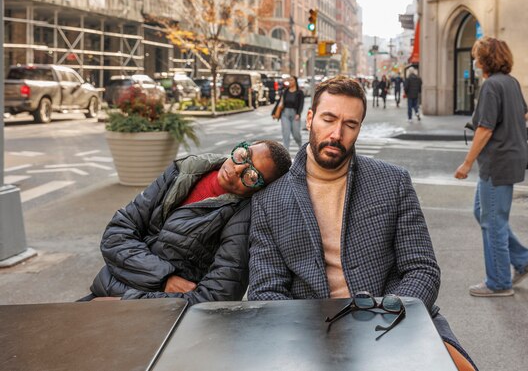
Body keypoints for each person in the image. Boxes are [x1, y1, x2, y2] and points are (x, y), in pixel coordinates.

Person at [249, 76, 476, 370]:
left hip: (398, 321)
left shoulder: (392, 181)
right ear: (309, 118)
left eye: (350, 125)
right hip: (310, 333)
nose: (336, 134)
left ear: (358, 129)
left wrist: (385, 318)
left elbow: (422, 269)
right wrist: (310, 333)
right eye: (328, 119)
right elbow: (266, 289)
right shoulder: (269, 199)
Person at [86, 140, 292, 304]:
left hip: (149, 313)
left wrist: (127, 302)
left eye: (251, 175)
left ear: (260, 189)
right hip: (103, 291)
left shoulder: (243, 219)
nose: (238, 169)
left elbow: (216, 298)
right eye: (243, 155)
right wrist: (164, 279)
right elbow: (116, 233)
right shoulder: (184, 170)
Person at [454, 37, 528, 298]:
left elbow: (485, 129)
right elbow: (523, 114)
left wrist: (466, 163)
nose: (475, 61)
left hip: (497, 162)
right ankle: (522, 259)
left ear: (485, 60)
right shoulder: (511, 82)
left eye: (477, 57)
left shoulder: (491, 86)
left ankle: (499, 282)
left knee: (493, 221)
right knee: (483, 213)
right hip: (508, 159)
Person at [280, 75, 305, 150]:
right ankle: (286, 152)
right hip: (285, 114)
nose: (290, 81)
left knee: (296, 134)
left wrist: (298, 113)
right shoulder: (285, 91)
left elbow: (301, 104)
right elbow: (281, 102)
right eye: (289, 80)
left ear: (295, 81)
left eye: (291, 80)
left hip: (295, 114)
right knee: (286, 134)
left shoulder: (299, 92)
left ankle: (300, 145)